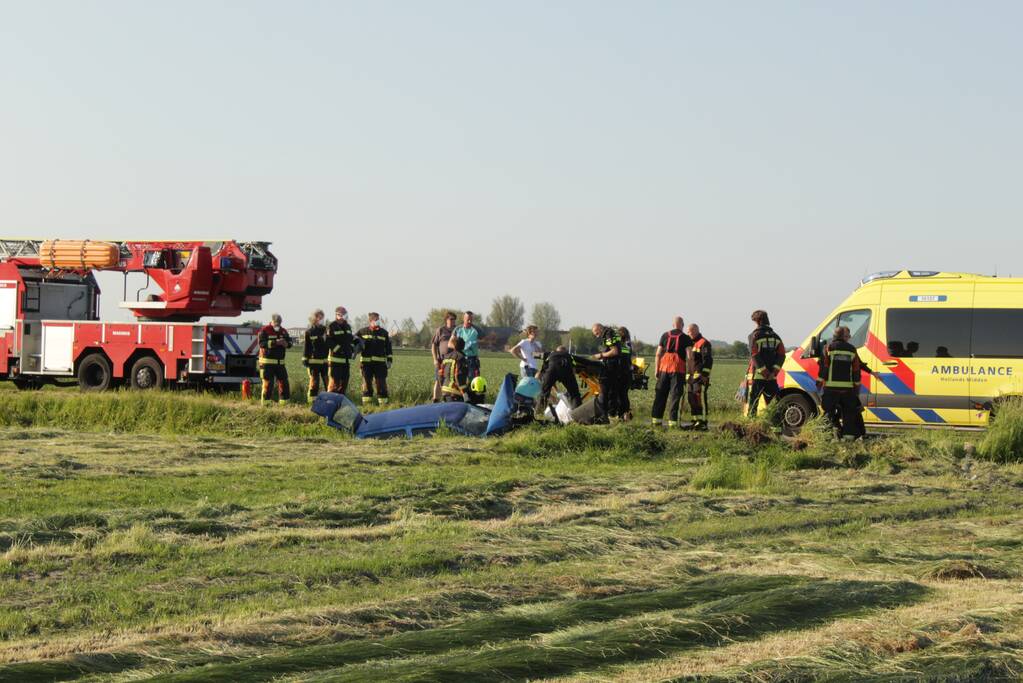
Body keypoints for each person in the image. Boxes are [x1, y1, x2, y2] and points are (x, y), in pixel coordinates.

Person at [816, 325, 870, 438]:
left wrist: (820, 382)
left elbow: (824, 367)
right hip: (847, 390)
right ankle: (848, 439)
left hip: (831, 389)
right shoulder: (851, 349)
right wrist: (856, 386)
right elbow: (856, 370)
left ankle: (825, 437)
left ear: (834, 336)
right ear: (843, 336)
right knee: (849, 414)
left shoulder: (828, 348)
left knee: (828, 413)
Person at [651, 317, 693, 427]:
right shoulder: (686, 338)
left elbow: (658, 354)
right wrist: (691, 373)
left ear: (673, 325)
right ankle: (673, 424)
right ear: (682, 325)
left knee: (660, 395)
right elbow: (689, 356)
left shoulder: (665, 335)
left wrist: (656, 369)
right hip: (678, 370)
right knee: (675, 396)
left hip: (663, 369)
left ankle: (656, 422)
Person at [747, 310, 785, 417]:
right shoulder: (776, 336)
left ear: (758, 321)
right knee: (774, 404)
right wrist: (774, 372)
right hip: (772, 378)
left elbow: (754, 354)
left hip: (759, 376)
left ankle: (752, 427)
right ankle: (776, 429)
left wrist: (764, 372)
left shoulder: (754, 335)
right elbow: (782, 355)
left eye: (754, 321)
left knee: (754, 403)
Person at [356, 312, 393, 405]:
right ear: (370, 321)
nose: (377, 322)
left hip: (380, 364)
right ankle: (367, 405)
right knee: (366, 384)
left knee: (381, 384)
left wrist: (389, 360)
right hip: (365, 364)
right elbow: (354, 343)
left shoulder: (384, 333)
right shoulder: (362, 332)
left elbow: (388, 348)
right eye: (376, 320)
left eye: (378, 320)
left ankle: (383, 405)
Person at [257, 313, 292, 406]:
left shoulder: (283, 331)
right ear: (272, 321)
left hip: (280, 363)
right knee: (268, 384)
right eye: (276, 323)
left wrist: (287, 344)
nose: (278, 325)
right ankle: (265, 405)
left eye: (279, 323)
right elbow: (261, 343)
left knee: (284, 383)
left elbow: (290, 342)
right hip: (267, 363)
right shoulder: (264, 330)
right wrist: (275, 342)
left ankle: (284, 404)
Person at [590, 323, 622, 421]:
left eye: (596, 332)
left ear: (600, 328)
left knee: (605, 391)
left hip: (611, 367)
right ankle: (612, 414)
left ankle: (604, 416)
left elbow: (615, 351)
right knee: (613, 391)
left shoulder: (608, 334)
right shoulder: (611, 332)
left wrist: (601, 355)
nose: (596, 335)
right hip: (616, 366)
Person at [687, 323, 713, 430]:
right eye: (688, 331)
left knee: (699, 399)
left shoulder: (704, 342)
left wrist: (705, 375)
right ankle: (695, 421)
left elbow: (708, 360)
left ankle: (703, 422)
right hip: (690, 377)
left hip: (700, 377)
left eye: (691, 331)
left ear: (696, 330)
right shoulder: (689, 344)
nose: (689, 333)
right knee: (691, 399)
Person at [538, 345, 582, 410]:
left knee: (544, 393)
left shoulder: (550, 354)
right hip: (566, 370)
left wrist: (545, 381)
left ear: (556, 350)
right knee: (574, 393)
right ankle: (577, 411)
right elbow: (574, 368)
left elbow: (544, 369)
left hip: (551, 370)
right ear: (565, 351)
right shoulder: (568, 355)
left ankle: (539, 411)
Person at [326, 306, 356, 394]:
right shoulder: (332, 326)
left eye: (346, 314)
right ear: (337, 315)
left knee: (344, 384)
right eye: (343, 314)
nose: (345, 316)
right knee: (334, 385)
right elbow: (328, 341)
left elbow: (350, 340)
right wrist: (339, 350)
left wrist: (353, 347)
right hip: (335, 362)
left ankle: (340, 404)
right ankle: (330, 403)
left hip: (346, 361)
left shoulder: (348, 326)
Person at [301, 309, 329, 400]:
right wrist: (305, 358)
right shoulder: (309, 332)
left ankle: (329, 400)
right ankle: (312, 401)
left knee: (327, 382)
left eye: (322, 317)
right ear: (314, 318)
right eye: (319, 317)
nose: (321, 319)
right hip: (313, 362)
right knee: (314, 382)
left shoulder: (325, 330)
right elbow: (306, 346)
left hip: (325, 362)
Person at [431, 311, 458, 401]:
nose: (453, 321)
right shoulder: (440, 330)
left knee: (453, 380)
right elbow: (434, 346)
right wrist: (435, 359)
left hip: (453, 361)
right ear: (446, 320)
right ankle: (435, 400)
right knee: (438, 380)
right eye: (451, 319)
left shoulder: (457, 331)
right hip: (441, 360)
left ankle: (450, 399)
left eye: (454, 319)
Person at [453, 311, 482, 379]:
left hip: (472, 360)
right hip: (460, 359)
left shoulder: (476, 330)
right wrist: (457, 347)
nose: (469, 321)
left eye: (471, 320)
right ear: (464, 319)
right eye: (468, 319)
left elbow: (484, 341)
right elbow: (450, 343)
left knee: (472, 380)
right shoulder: (458, 330)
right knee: (459, 379)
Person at [440, 336, 470, 402]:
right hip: (454, 393)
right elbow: (459, 376)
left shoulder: (446, 356)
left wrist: (442, 387)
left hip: (444, 390)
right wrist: (464, 393)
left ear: (453, 345)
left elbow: (441, 374)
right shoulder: (461, 358)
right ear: (463, 346)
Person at [617, 326, 634, 420]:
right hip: (627, 373)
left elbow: (622, 356)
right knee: (623, 395)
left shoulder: (624, 345)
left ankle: (624, 415)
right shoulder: (628, 344)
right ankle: (624, 415)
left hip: (623, 373)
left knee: (622, 395)